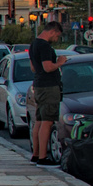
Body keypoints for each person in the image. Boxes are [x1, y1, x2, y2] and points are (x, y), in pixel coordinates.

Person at [28, 21, 66, 165]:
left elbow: (33, 68)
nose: (56, 39)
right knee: (47, 121)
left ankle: (36, 154)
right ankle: (43, 157)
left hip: (38, 85)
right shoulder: (44, 46)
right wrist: (60, 62)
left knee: (39, 121)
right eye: (57, 36)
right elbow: (48, 67)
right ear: (53, 31)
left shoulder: (33, 45)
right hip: (48, 86)